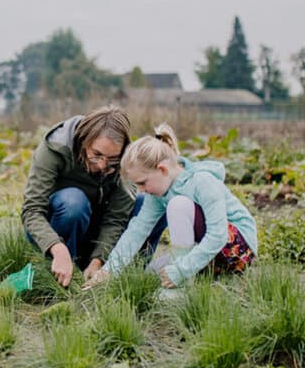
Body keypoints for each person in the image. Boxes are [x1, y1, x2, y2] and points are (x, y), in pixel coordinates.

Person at [88, 123, 257, 289]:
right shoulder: (157, 194)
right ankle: (208, 279)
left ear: (162, 169)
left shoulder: (202, 181)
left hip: (238, 251)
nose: (141, 191)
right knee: (151, 275)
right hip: (207, 250)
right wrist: (109, 270)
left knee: (178, 205)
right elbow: (137, 231)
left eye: (142, 183)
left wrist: (180, 271)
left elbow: (218, 235)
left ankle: (181, 288)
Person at [21, 106, 166, 287]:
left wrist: (99, 260)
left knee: (152, 203)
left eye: (112, 158)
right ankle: (61, 272)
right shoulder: (55, 148)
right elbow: (32, 211)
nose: (102, 165)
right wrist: (58, 249)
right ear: (83, 141)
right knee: (73, 202)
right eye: (96, 154)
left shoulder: (125, 160)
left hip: (96, 233)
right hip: (58, 231)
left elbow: (116, 218)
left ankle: (127, 277)